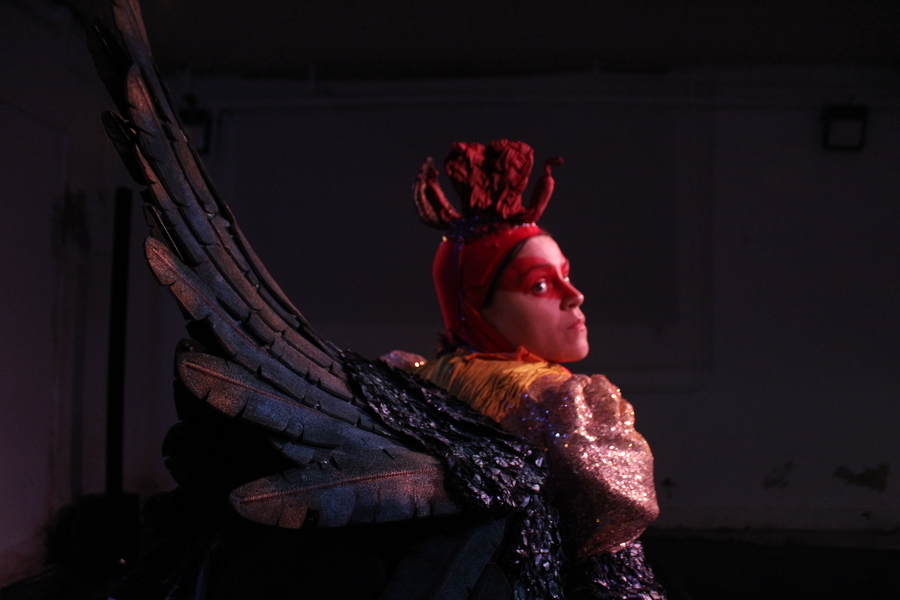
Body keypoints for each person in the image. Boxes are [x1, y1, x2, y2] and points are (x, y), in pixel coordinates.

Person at [384, 139, 665, 599]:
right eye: (539, 284)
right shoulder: (560, 401)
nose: (574, 295)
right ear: (474, 308)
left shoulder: (413, 379)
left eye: (567, 275)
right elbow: (613, 561)